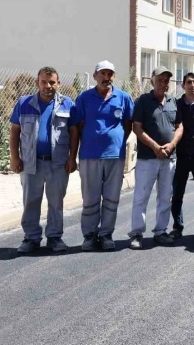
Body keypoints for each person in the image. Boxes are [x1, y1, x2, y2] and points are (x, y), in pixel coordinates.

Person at [9, 66, 76, 253]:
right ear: (37, 83)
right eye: (44, 82)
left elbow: (74, 132)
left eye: (52, 82)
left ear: (58, 83)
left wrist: (72, 157)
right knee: (31, 201)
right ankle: (31, 238)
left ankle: (54, 237)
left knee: (56, 202)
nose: (48, 86)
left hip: (58, 163)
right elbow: (14, 131)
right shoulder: (24, 103)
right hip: (31, 162)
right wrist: (15, 158)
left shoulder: (67, 104)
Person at [70, 60, 133, 252]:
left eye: (110, 74)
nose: (106, 78)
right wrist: (74, 154)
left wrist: (116, 141)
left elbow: (129, 123)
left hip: (115, 156)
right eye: (102, 74)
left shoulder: (123, 98)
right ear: (95, 75)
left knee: (112, 198)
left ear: (114, 76)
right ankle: (89, 236)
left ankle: (106, 235)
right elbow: (77, 126)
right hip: (89, 155)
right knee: (90, 198)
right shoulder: (84, 97)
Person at [128, 66, 183, 249]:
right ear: (152, 80)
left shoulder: (173, 101)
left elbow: (180, 126)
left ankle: (161, 231)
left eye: (166, 80)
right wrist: (155, 147)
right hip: (147, 158)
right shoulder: (143, 101)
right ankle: (136, 233)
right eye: (160, 79)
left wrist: (172, 144)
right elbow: (137, 127)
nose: (163, 83)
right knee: (141, 197)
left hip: (169, 158)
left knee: (165, 197)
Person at [170, 72, 194, 239]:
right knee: (177, 193)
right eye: (189, 82)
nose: (192, 85)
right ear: (183, 85)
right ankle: (177, 227)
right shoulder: (176, 104)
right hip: (182, 155)